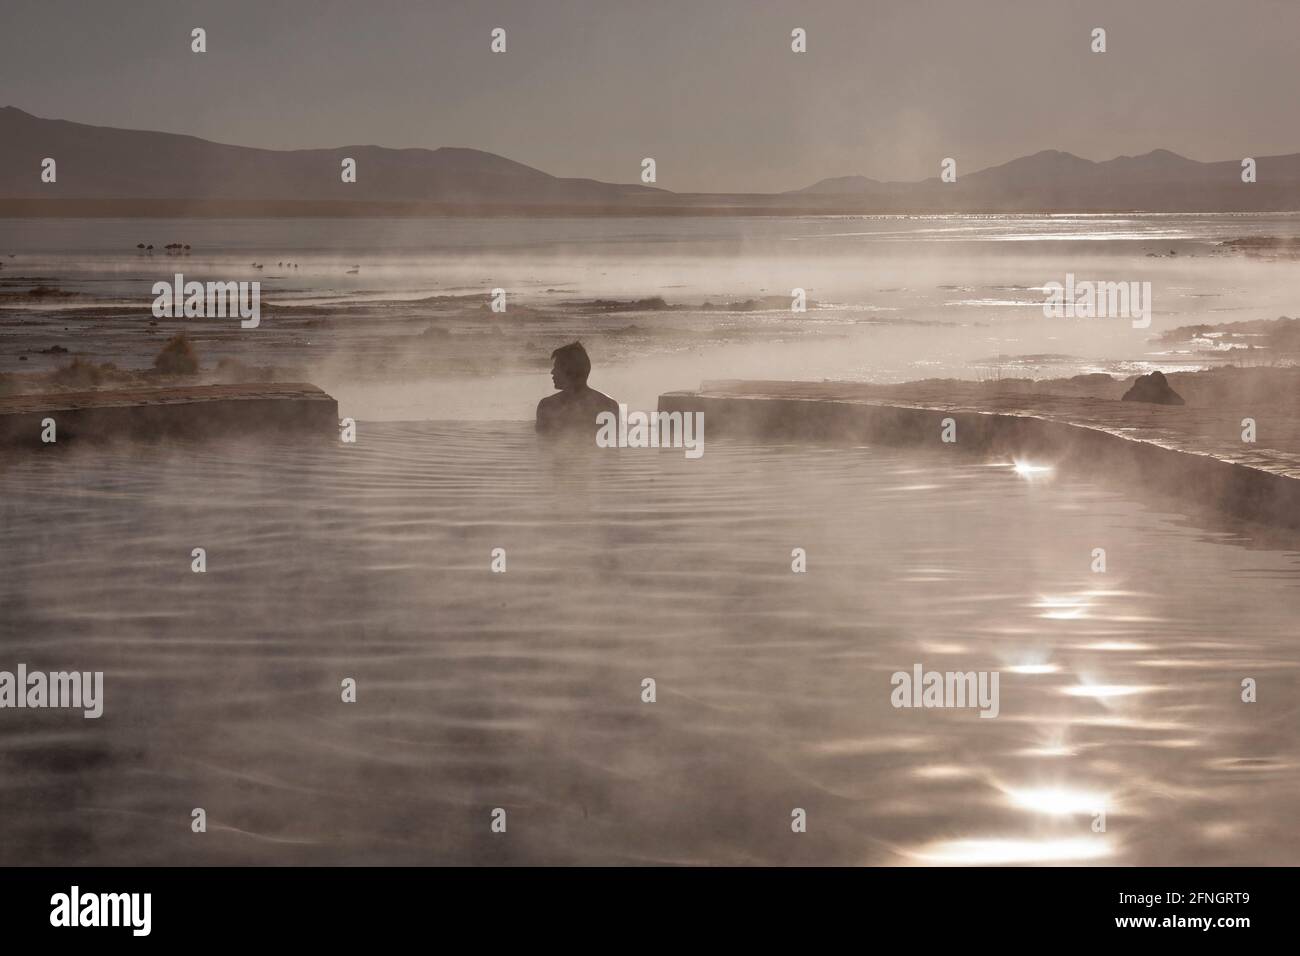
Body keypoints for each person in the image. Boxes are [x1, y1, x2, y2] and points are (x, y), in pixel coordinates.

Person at [536, 341, 619, 436]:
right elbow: (613, 446)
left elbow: (542, 444)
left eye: (556, 367)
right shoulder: (608, 404)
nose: (552, 372)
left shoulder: (548, 405)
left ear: (570, 371)